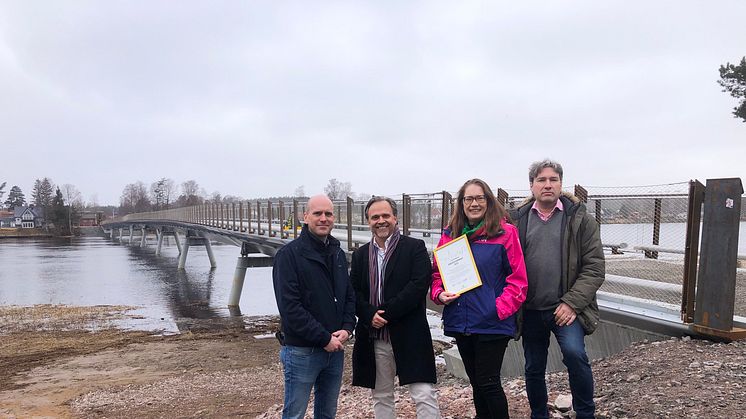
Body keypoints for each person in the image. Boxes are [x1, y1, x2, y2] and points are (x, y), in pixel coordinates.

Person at [509, 159, 605, 419]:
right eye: (541, 180)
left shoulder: (581, 220)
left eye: (553, 179)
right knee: (533, 367)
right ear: (531, 186)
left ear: (561, 184)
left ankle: (586, 413)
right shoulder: (516, 221)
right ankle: (539, 414)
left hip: (565, 308)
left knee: (576, 356)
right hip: (529, 309)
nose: (547, 185)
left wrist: (572, 303)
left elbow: (594, 268)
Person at [431, 178, 527, 419]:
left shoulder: (505, 233)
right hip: (461, 320)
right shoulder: (450, 235)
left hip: (492, 321)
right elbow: (436, 274)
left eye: (479, 198)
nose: (474, 203)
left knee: (488, 382)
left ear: (488, 201)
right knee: (476, 382)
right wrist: (440, 293)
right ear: (461, 203)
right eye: (469, 199)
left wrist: (498, 308)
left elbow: (518, 279)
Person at [350, 196, 441, 418]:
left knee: (424, 393)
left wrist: (386, 314)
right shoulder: (361, 255)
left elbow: (419, 285)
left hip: (410, 333)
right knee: (381, 396)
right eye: (375, 217)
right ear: (368, 221)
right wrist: (369, 314)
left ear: (395, 218)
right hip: (375, 336)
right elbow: (353, 292)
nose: (381, 221)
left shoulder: (414, 247)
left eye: (385, 216)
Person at [272, 194, 356, 419]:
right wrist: (324, 339)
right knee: (294, 414)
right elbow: (290, 308)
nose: (323, 218)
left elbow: (348, 295)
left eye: (328, 214)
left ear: (334, 218)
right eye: (317, 213)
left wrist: (348, 328)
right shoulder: (288, 256)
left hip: (335, 349)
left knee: (327, 413)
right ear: (305, 216)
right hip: (301, 351)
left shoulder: (337, 253)